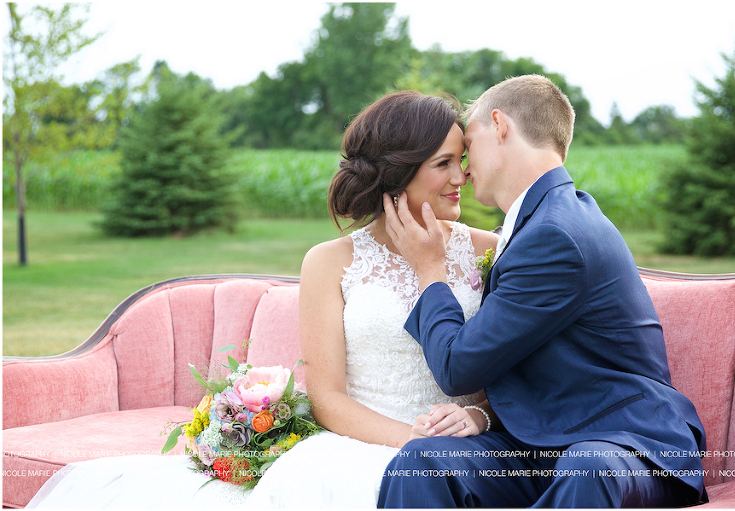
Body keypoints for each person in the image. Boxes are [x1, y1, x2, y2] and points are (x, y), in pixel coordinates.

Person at [26, 90, 499, 509]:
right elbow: (328, 398)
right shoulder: (329, 262)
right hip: (361, 445)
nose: (463, 176)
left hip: (464, 451)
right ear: (399, 171)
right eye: (444, 163)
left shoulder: (491, 251)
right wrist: (414, 441)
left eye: (461, 160)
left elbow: (520, 369)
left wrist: (478, 416)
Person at [378, 75, 708, 508]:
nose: (464, 167)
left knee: (587, 468)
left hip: (627, 446)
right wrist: (480, 414)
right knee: (424, 461)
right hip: (541, 447)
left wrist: (429, 270)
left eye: (469, 145)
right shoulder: (537, 223)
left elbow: (458, 367)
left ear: (499, 126)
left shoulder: (556, 234)